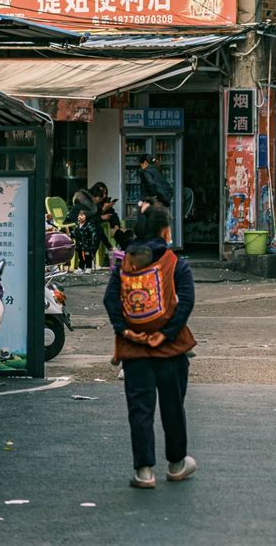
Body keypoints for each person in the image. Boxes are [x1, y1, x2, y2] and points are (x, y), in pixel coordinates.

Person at [103, 201, 197, 488]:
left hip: (134, 350)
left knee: (140, 410)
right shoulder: (175, 263)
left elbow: (110, 300)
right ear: (165, 231)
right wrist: (165, 333)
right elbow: (186, 302)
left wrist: (125, 331)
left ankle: (144, 472)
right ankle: (177, 464)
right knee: (172, 407)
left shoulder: (125, 263)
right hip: (170, 349)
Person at [73, 208, 99, 275]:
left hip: (87, 244)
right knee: (80, 257)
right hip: (79, 244)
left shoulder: (89, 225)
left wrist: (93, 242)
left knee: (87, 256)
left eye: (82, 215)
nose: (79, 217)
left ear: (86, 217)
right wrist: (70, 234)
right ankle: (80, 268)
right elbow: (75, 232)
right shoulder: (77, 224)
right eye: (79, 215)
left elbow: (93, 233)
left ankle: (88, 267)